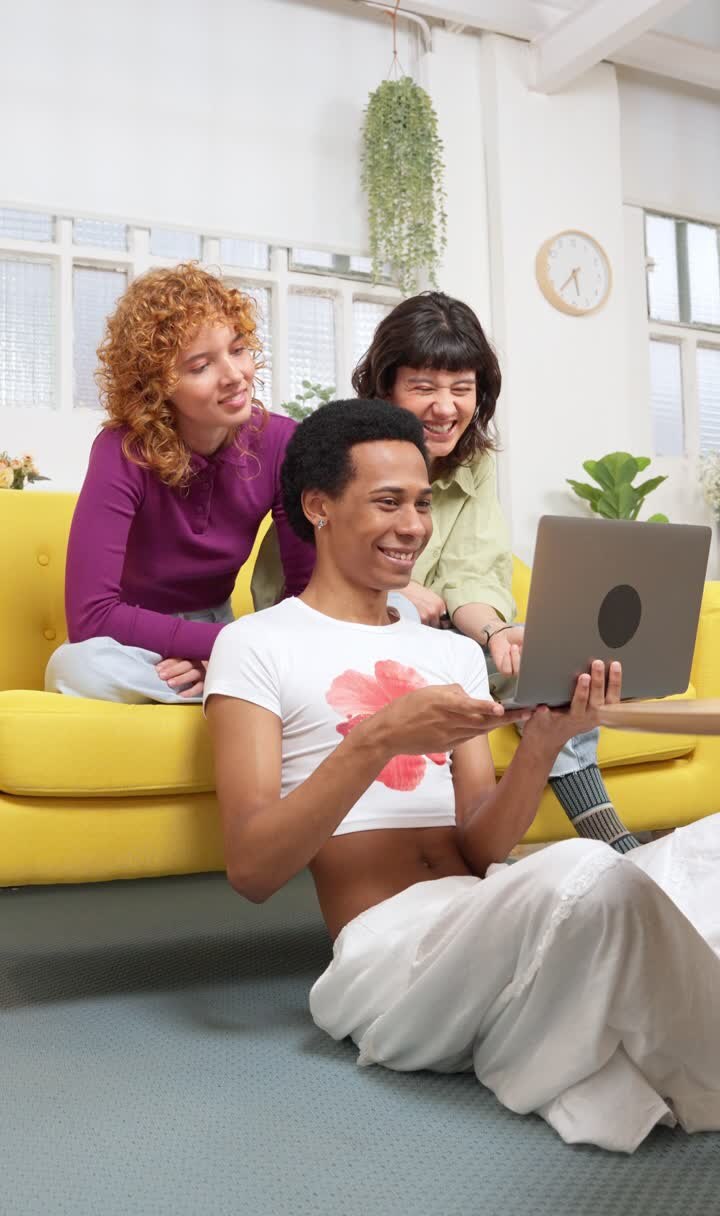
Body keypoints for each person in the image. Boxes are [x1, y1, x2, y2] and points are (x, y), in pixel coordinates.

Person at [204, 398, 720, 1154]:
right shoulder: (256, 645)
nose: (413, 525)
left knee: (705, 850)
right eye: (388, 502)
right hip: (388, 954)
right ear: (318, 506)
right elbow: (252, 869)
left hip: (486, 903)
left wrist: (543, 743)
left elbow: (481, 849)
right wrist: (379, 736)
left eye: (421, 503)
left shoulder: (448, 652)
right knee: (581, 865)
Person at [352, 291, 639, 854]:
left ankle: (605, 833)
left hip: (436, 630)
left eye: (462, 388)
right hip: (359, 616)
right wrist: (399, 588)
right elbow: (317, 560)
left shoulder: (474, 463)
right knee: (429, 630)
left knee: (541, 665)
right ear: (386, 388)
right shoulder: (346, 447)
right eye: (424, 387)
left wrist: (496, 632)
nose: (445, 407)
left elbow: (472, 573)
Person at [45, 263, 314, 704]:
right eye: (201, 366)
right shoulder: (121, 449)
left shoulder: (284, 442)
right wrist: (219, 650)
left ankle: (228, 686)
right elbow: (91, 617)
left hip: (230, 634)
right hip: (133, 640)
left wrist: (232, 649)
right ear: (157, 386)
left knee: (318, 645)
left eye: (238, 349)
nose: (235, 375)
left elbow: (305, 591)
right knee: (75, 666)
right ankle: (235, 694)